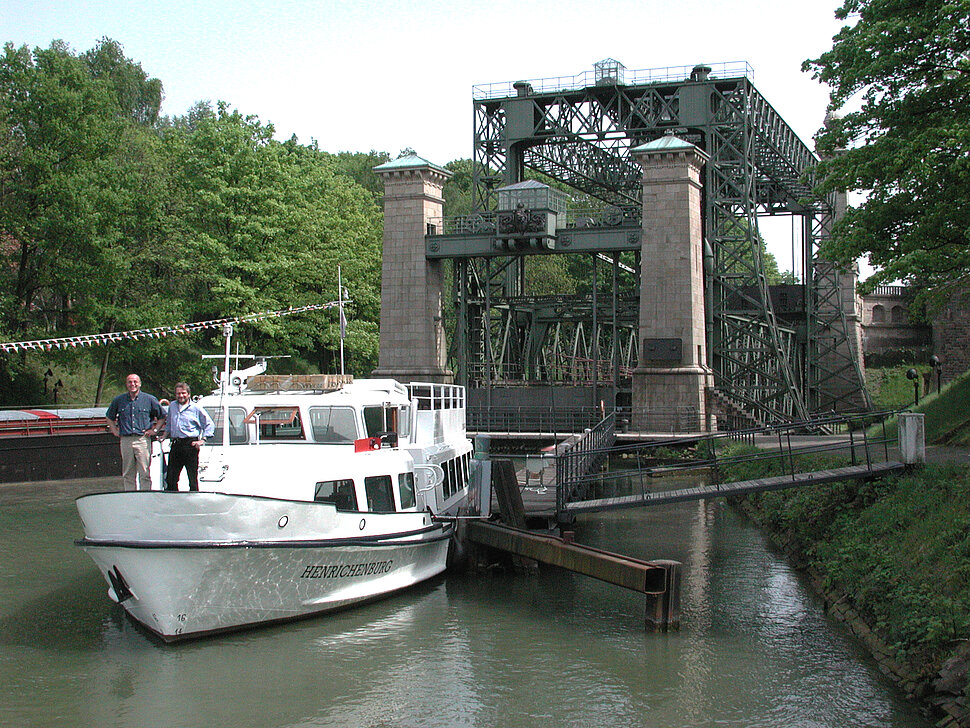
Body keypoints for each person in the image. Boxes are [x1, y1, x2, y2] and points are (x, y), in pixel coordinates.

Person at [105, 374, 165, 491]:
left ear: (140, 383)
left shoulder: (149, 399)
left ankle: (145, 495)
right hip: (126, 440)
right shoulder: (119, 400)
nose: (132, 384)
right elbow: (109, 417)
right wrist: (114, 430)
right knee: (128, 472)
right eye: (130, 382)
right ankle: (130, 496)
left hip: (142, 439)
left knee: (144, 472)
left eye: (135, 382)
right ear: (126, 384)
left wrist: (155, 430)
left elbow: (162, 416)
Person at [164, 382, 215, 492]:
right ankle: (173, 501)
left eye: (183, 393)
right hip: (176, 444)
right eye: (178, 394)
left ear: (188, 394)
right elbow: (169, 423)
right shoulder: (172, 406)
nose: (181, 396)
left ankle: (194, 501)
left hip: (190, 445)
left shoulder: (196, 408)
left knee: (192, 478)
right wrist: (163, 436)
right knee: (171, 478)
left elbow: (209, 424)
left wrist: (203, 440)